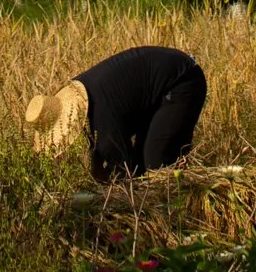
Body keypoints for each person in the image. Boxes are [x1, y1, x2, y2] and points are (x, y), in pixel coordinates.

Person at [24, 43, 206, 180]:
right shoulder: (87, 100)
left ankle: (173, 217)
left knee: (157, 163)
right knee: (143, 166)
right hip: (156, 92)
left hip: (182, 80)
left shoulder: (101, 115)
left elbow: (123, 171)